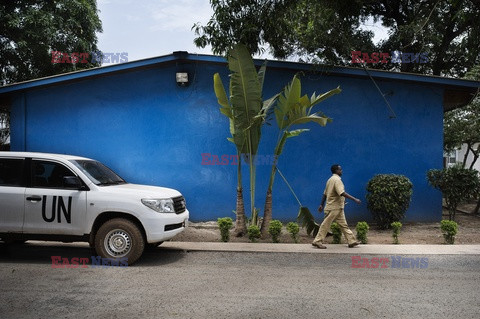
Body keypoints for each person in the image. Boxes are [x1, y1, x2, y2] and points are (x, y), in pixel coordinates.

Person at [312, 164, 362, 249]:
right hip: (334, 207)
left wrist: (321, 204)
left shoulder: (330, 180)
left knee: (344, 225)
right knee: (326, 225)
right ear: (336, 171)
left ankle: (351, 241)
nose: (341, 171)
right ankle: (317, 241)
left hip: (337, 207)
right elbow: (342, 193)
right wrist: (355, 199)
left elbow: (324, 194)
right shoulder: (337, 180)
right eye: (340, 169)